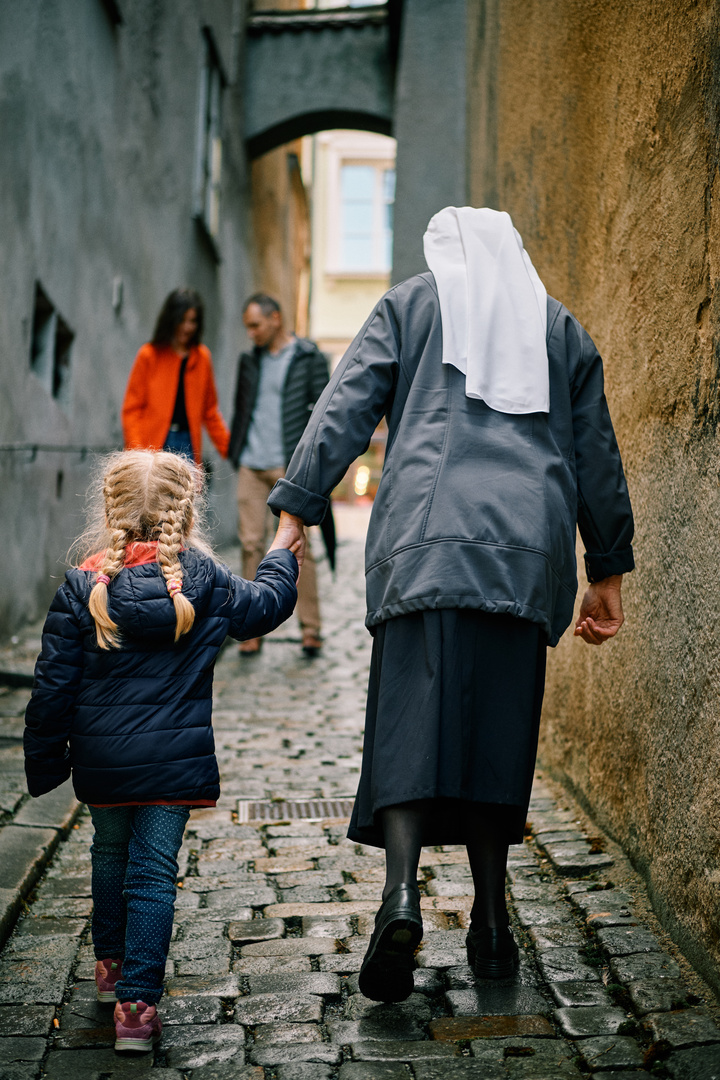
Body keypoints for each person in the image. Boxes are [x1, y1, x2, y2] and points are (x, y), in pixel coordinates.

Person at [267, 207, 635, 1002]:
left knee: (410, 722)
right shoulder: (558, 328)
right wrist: (606, 568)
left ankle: (400, 897)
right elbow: (595, 451)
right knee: (498, 735)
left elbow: (344, 407)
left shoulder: (412, 305)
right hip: (523, 553)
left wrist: (296, 507)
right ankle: (492, 924)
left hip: (425, 545)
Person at [23, 450, 298, 1051]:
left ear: (109, 510)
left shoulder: (82, 586)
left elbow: (51, 688)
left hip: (102, 764)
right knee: (151, 877)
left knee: (109, 856)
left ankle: (110, 971)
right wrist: (282, 554)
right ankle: (137, 1012)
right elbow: (267, 608)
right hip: (174, 764)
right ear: (189, 510)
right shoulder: (208, 581)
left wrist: (46, 764)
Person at [229, 293, 330, 656]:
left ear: (275, 319)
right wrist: (235, 451)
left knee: (299, 546)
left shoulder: (308, 358)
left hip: (289, 467)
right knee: (251, 544)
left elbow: (324, 411)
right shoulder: (249, 361)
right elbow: (242, 408)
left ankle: (311, 628)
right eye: (248, 327)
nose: (251, 333)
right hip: (251, 464)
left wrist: (313, 464)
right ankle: (250, 628)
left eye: (255, 325)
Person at [122, 288, 230, 464]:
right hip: (153, 445)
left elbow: (210, 411)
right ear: (171, 319)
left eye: (192, 321)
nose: (187, 327)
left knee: (186, 491)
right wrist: (136, 453)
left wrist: (229, 448)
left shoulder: (202, 358)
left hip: (188, 443)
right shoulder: (149, 355)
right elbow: (132, 410)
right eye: (182, 320)